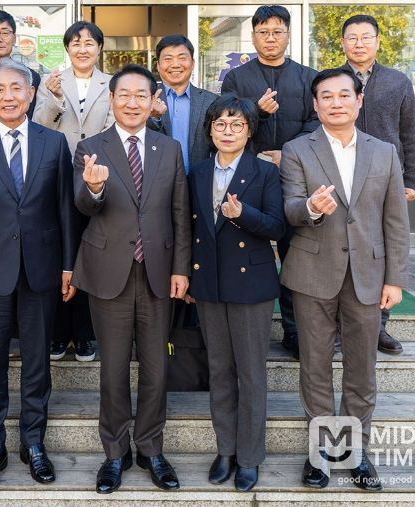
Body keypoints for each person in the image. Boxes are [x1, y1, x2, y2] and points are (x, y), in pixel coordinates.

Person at [279, 68, 409, 491]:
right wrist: (312, 207)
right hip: (312, 273)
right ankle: (320, 455)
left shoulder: (385, 152)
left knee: (361, 370)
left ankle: (356, 452)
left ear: (358, 101)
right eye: (326, 96)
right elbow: (290, 209)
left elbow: (395, 221)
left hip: (369, 276)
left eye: (343, 95)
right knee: (315, 368)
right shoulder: (297, 149)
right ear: (315, 105)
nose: (335, 103)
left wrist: (396, 279)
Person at [0, 58, 77, 496]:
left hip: (42, 269)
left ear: (31, 94)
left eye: (17, 88)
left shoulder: (53, 143)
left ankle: (33, 444)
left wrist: (68, 264)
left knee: (37, 363)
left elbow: (65, 207)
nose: (9, 96)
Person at [72, 64, 192, 494]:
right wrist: (95, 188)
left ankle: (151, 449)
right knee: (114, 369)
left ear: (152, 100)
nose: (132, 102)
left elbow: (180, 213)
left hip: (159, 272)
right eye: (124, 95)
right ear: (111, 98)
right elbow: (83, 206)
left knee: (157, 368)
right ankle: (114, 453)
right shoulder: (91, 147)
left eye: (142, 95)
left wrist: (181, 268)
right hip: (109, 274)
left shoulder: (170, 148)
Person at [187, 95, 285, 492]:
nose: (228, 132)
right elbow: (187, 228)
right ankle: (225, 449)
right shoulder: (195, 171)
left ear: (249, 130)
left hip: (251, 286)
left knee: (250, 373)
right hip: (209, 283)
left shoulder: (264, 173)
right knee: (219, 371)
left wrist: (242, 215)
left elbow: (278, 226)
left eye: (237, 125)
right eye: (221, 125)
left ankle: (249, 457)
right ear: (210, 130)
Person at [220, 4, 319, 359]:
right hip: (251, 176)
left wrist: (288, 152)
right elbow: (227, 121)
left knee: (295, 254)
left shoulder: (309, 77)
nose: (270, 38)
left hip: (297, 176)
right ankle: (247, 332)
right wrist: (257, 112)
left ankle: (295, 331)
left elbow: (315, 121)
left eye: (277, 31)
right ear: (253, 36)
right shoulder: (236, 78)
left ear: (289, 35)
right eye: (263, 32)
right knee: (250, 250)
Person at [340, 14, 415, 354]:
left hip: (386, 179)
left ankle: (379, 327)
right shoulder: (331, 79)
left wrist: (412, 178)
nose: (359, 43)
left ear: (377, 41)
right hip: (342, 176)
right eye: (352, 37)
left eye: (366, 37)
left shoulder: (398, 82)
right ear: (342, 43)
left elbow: (411, 135)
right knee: (344, 249)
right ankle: (340, 326)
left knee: (382, 251)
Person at [34, 20, 113, 362]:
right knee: (56, 253)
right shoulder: (50, 82)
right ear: (67, 49)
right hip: (54, 176)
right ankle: (57, 333)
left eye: (89, 43)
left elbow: (114, 127)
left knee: (89, 254)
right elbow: (38, 126)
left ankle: (84, 334)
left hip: (95, 177)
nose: (83, 48)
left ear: (99, 48)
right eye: (76, 43)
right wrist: (52, 99)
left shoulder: (111, 83)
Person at [149, 34, 217, 172]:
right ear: (158, 65)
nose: (175, 65)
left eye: (182, 58)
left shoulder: (211, 101)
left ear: (192, 63)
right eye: (168, 59)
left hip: (199, 180)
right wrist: (153, 118)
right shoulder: (145, 99)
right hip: (156, 183)